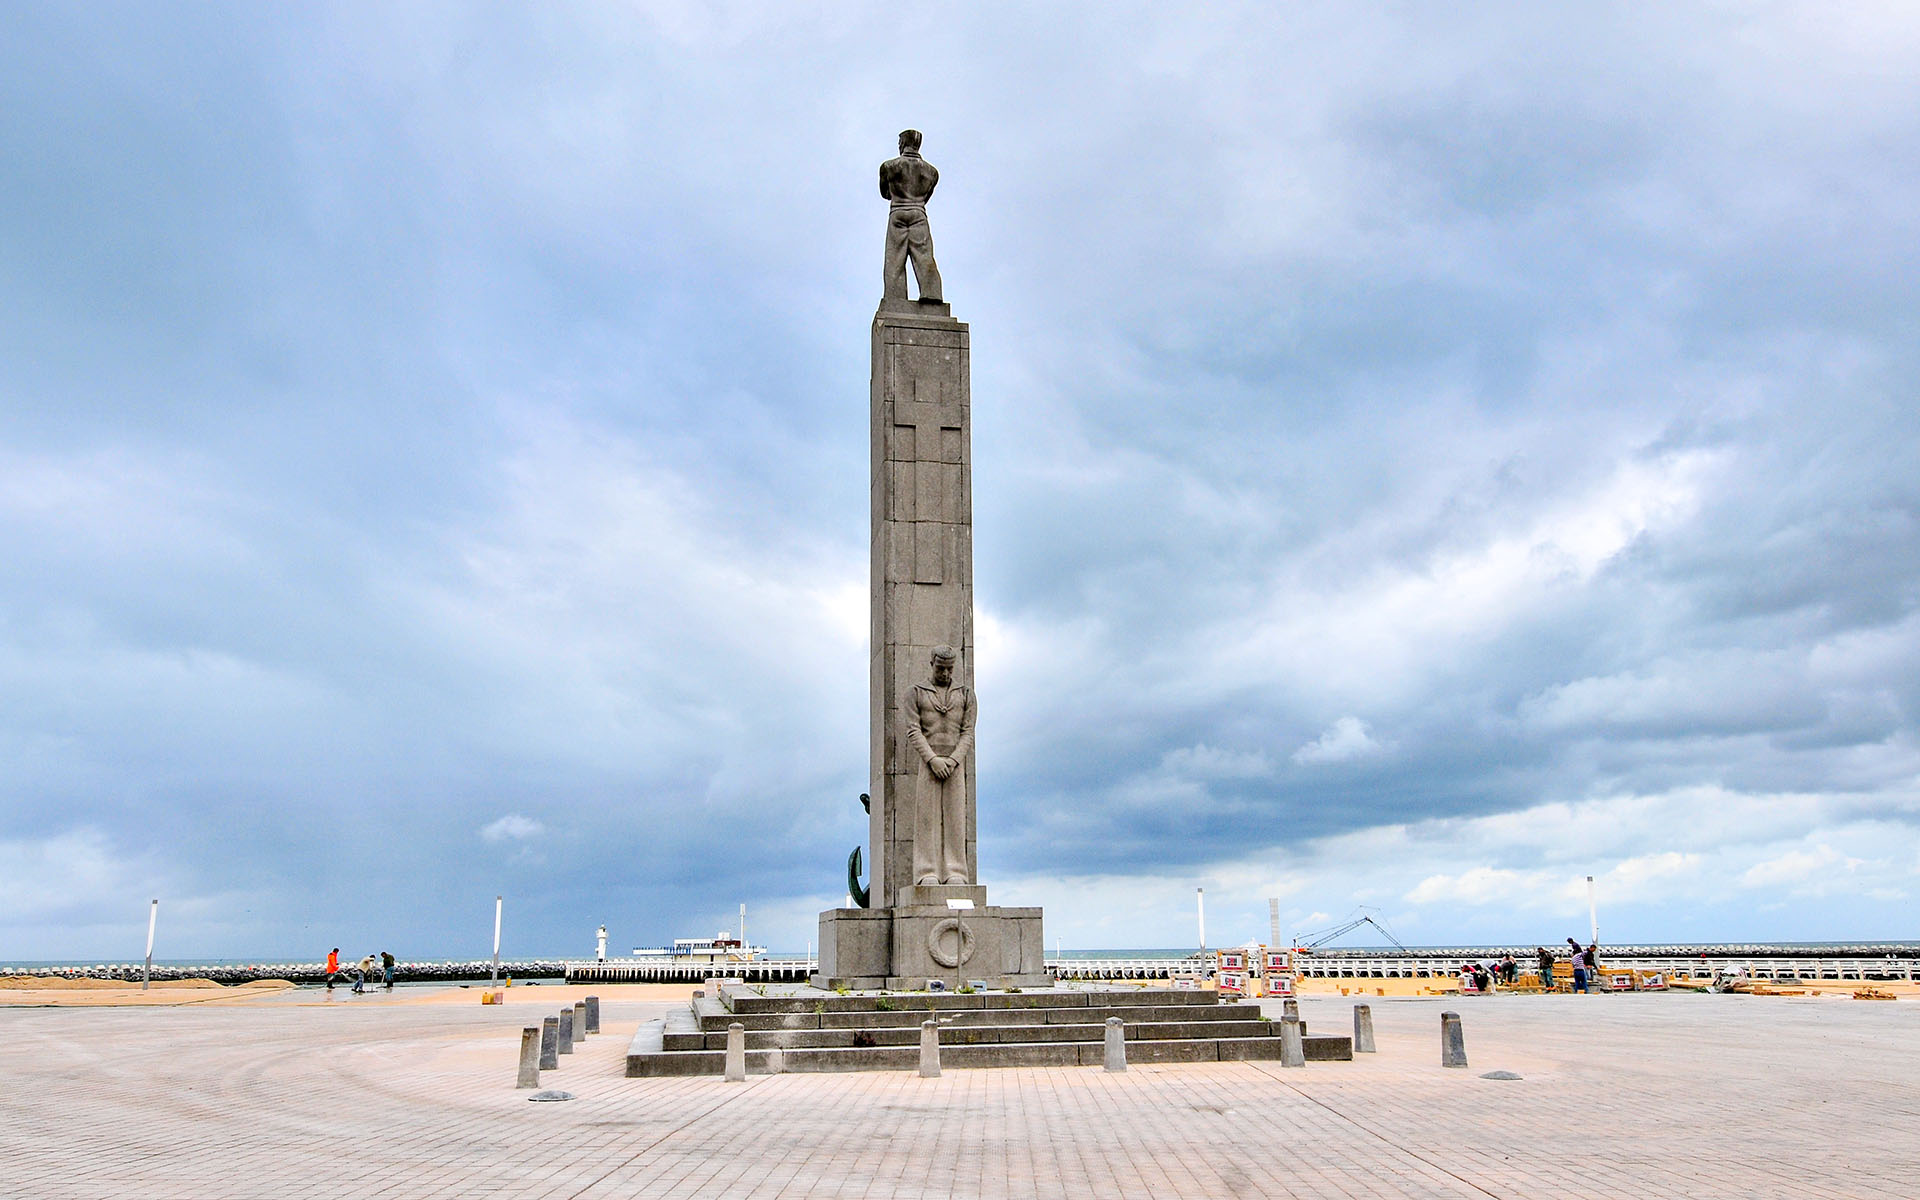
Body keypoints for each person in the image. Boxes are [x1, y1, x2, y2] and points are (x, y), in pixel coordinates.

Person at [902, 644, 976, 885]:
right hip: (929, 763)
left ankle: (956, 871)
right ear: (932, 664)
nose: (945, 674)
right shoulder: (915, 692)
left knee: (955, 818)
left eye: (949, 669)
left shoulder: (965, 695)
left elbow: (968, 732)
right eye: (941, 668)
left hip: (955, 764)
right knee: (927, 818)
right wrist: (932, 759)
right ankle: (926, 872)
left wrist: (954, 760)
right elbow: (913, 730)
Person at [878, 129, 944, 303]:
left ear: (902, 143)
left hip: (898, 212)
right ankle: (932, 293)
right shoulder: (932, 172)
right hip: (918, 213)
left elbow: (885, 193)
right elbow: (926, 196)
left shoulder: (888, 167)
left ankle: (895, 296)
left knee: (894, 258)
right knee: (924, 255)